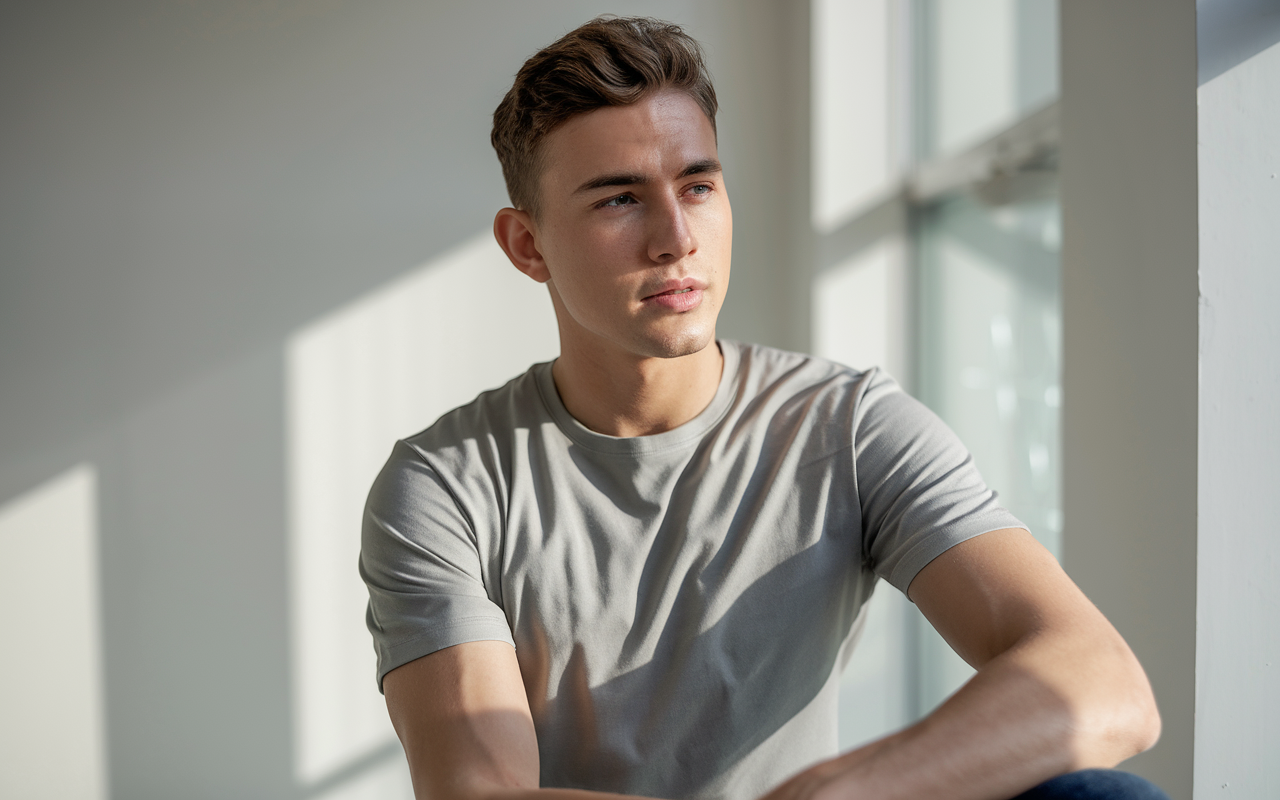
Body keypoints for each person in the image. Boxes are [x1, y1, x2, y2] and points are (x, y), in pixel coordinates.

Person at [359, 16, 1167, 800]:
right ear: (527, 245)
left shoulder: (848, 426)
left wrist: (835, 791)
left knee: (1101, 795)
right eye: (618, 200)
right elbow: (477, 790)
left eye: (698, 186)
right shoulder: (445, 485)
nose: (677, 238)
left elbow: (1105, 687)